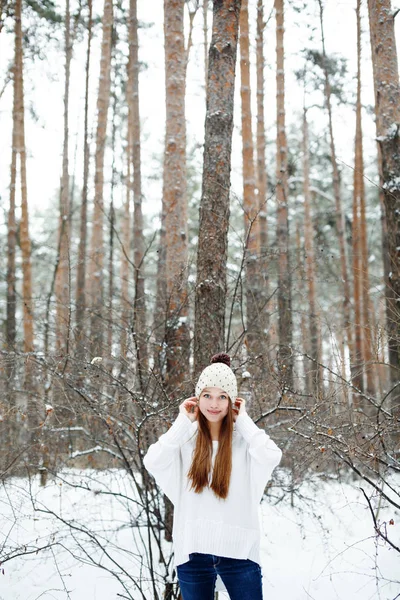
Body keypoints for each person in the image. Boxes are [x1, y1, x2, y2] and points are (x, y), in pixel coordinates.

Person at [143, 353, 282, 600]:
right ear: (197, 398)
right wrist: (182, 422)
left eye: (222, 396)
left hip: (240, 553)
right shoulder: (187, 440)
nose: (214, 404)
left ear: (232, 401)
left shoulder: (244, 441)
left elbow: (272, 456)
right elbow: (152, 461)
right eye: (207, 395)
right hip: (193, 554)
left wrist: (245, 421)